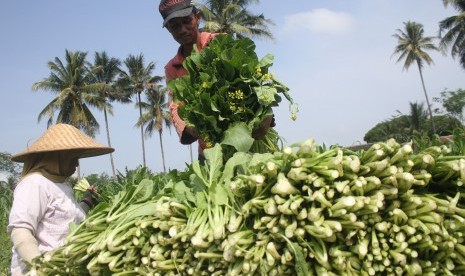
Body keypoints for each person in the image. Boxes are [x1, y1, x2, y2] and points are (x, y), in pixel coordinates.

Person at [158, 0, 274, 162]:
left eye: (186, 21)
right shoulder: (172, 68)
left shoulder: (221, 42)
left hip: (251, 139)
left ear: (197, 18)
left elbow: (254, 80)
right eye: (175, 26)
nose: (182, 30)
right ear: (169, 30)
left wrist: (267, 114)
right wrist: (191, 128)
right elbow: (176, 106)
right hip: (210, 151)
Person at [7, 123, 114, 276]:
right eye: (73, 158)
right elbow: (20, 231)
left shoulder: (61, 185)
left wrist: (88, 201)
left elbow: (67, 220)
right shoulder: (34, 184)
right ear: (57, 156)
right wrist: (41, 265)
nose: (77, 164)